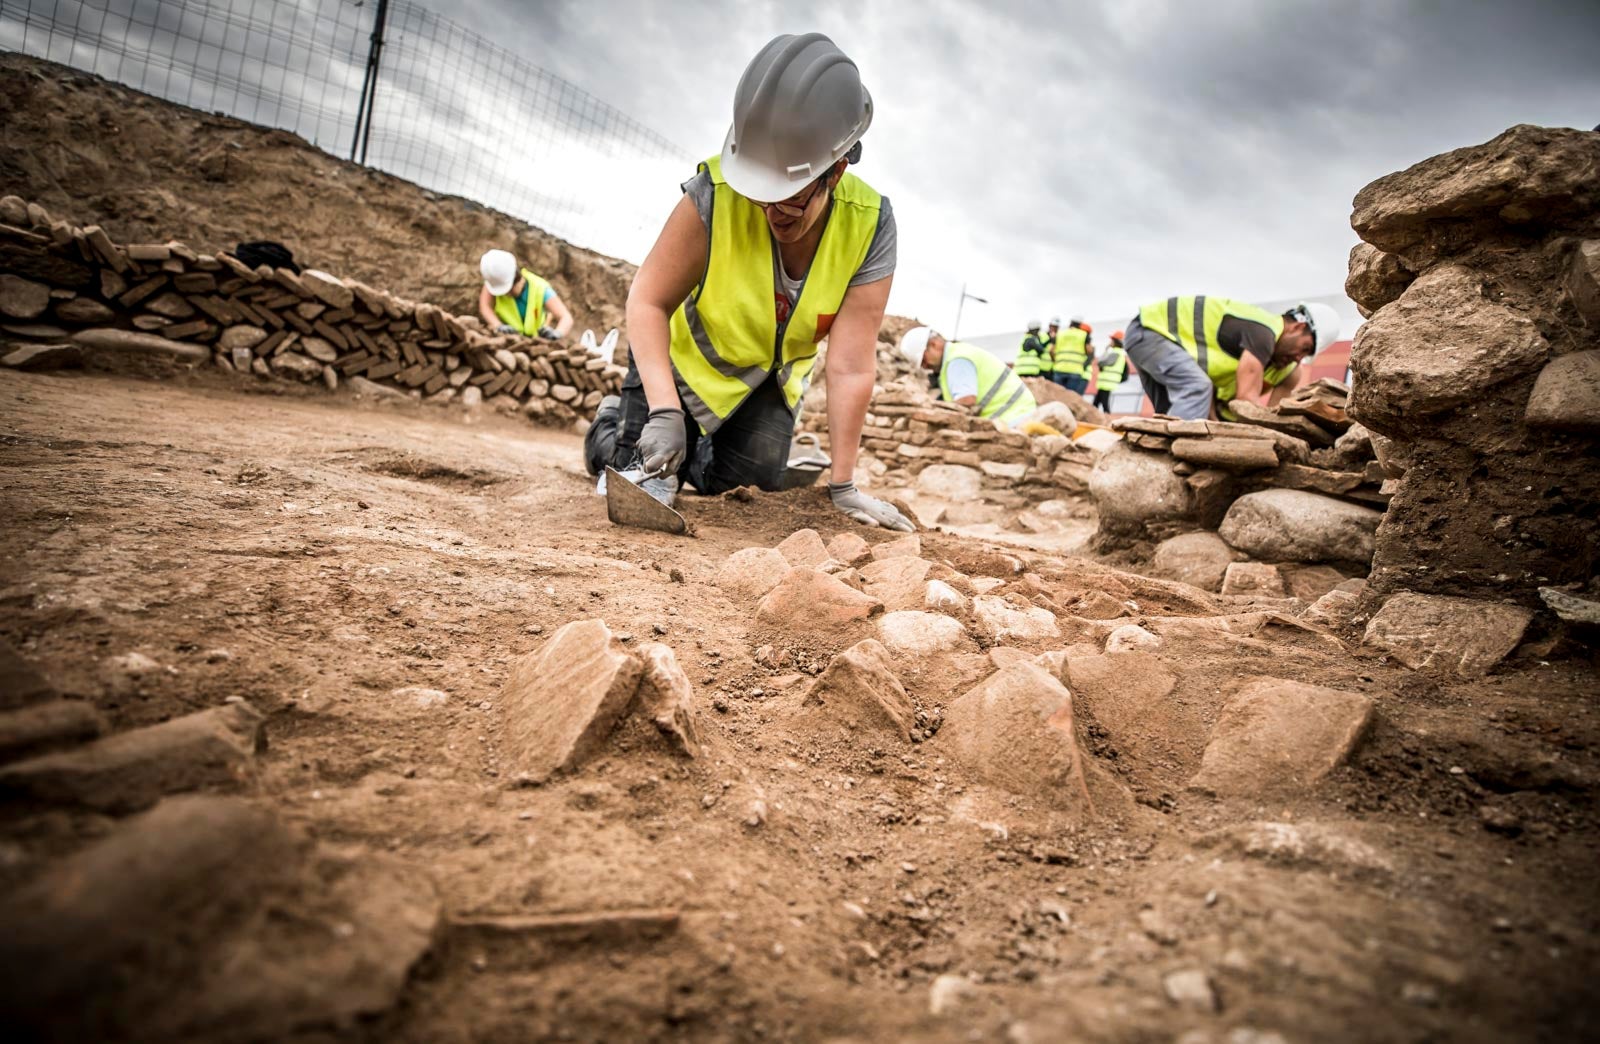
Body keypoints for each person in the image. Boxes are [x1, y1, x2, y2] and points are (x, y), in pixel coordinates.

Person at [583, 33, 911, 531]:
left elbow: (848, 367)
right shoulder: (714, 193)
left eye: (790, 197)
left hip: (764, 383)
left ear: (836, 171)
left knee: (748, 486)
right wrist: (665, 412)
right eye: (760, 194)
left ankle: (684, 447)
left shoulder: (870, 226)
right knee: (637, 474)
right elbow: (648, 300)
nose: (771, 211)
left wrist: (843, 487)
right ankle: (613, 426)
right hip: (681, 366)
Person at [1122, 295, 1340, 420]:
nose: (1298, 358)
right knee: (1196, 389)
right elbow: (1246, 402)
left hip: (1152, 342)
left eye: (1306, 355)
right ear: (1298, 327)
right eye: (1304, 348)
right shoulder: (1264, 333)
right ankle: (1171, 460)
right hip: (1151, 330)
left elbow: (1275, 418)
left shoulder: (1287, 371)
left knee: (1172, 415)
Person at [899, 326, 1037, 427]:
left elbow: (966, 401)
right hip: (1016, 414)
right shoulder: (955, 355)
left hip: (1013, 417)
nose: (924, 366)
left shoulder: (957, 361)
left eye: (924, 360)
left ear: (934, 345)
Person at [478, 249, 573, 340]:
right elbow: (485, 306)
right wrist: (498, 325)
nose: (505, 294)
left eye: (506, 291)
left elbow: (566, 317)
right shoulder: (495, 282)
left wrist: (558, 333)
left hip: (535, 339)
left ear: (516, 278)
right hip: (507, 338)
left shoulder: (540, 288)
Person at [1049, 317, 1093, 394]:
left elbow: (1051, 350)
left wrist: (1055, 361)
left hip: (1059, 368)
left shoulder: (1060, 333)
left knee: (1057, 395)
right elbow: (1090, 352)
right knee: (1070, 396)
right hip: (1075, 370)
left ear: (1070, 324)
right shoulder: (1083, 335)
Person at [1091, 329, 1128, 411]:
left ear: (1116, 342)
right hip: (1106, 382)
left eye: (1112, 340)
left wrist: (1106, 350)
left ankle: (1108, 421)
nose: (1110, 342)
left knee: (1104, 405)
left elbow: (1101, 362)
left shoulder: (1116, 353)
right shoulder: (1120, 353)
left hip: (1107, 382)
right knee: (1096, 403)